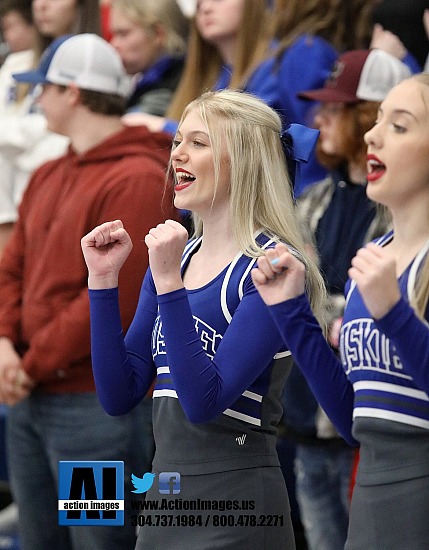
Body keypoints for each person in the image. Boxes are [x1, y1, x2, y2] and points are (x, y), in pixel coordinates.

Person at [81, 89, 327, 549]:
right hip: (166, 501)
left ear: (245, 160)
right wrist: (102, 281)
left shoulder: (271, 268)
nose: (178, 154)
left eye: (199, 142)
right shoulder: (180, 259)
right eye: (177, 141)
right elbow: (119, 393)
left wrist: (170, 282)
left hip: (238, 504)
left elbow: (203, 402)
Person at [0, 33, 176, 550]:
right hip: (34, 398)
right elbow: (12, 269)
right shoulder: (49, 172)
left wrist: (24, 366)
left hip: (93, 410)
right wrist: (6, 345)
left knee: (99, 542)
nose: (38, 99)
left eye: (45, 89)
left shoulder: (138, 180)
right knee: (39, 540)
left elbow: (119, 299)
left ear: (73, 92)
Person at [252, 73, 429, 550]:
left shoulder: (396, 275)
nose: (372, 134)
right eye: (379, 121)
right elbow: (353, 421)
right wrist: (293, 312)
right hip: (372, 511)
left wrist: (392, 312)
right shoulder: (375, 258)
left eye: (400, 125)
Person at [0, 0, 101, 257]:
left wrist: (14, 138)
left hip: (63, 199)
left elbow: (70, 138)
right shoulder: (17, 63)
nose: (42, 5)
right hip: (12, 203)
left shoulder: (99, 60)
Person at [123, 0, 272, 135]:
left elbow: (245, 138)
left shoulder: (273, 67)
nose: (206, 8)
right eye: (199, 3)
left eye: (218, 0)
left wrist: (161, 126)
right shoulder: (208, 73)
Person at [109, 0, 189, 116]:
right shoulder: (145, 82)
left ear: (158, 34)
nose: (114, 44)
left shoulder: (172, 90)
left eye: (123, 34)